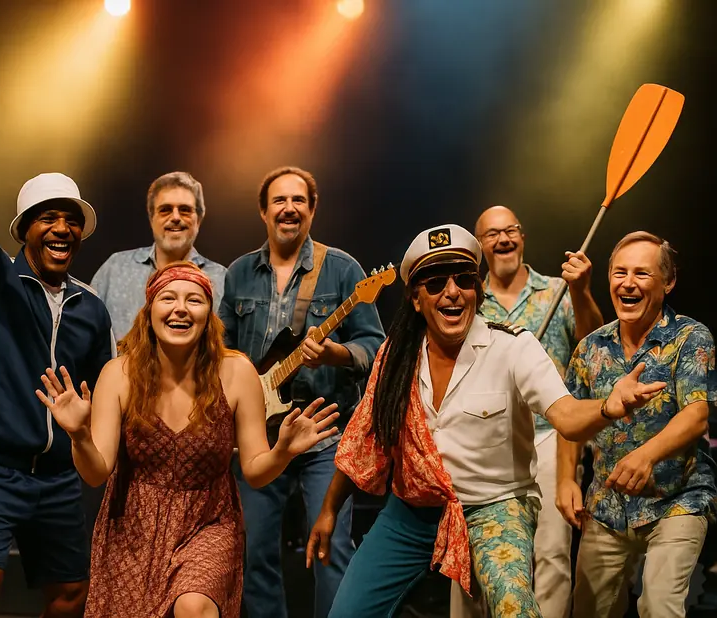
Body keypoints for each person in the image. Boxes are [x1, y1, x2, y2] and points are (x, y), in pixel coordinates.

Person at [306, 223, 667, 617]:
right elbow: (364, 435)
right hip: (411, 511)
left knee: (515, 608)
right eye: (435, 282)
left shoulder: (514, 347)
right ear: (415, 298)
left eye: (463, 279)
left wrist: (606, 407)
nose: (452, 291)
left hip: (494, 505)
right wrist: (328, 509)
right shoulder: (395, 356)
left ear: (477, 290)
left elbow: (565, 415)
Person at [37, 261, 340, 617]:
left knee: (194, 608)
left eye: (194, 300)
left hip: (208, 521)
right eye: (168, 298)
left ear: (209, 314)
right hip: (132, 527)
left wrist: (283, 452)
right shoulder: (119, 374)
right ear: (149, 311)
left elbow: (256, 471)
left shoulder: (236, 371)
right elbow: (96, 472)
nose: (181, 308)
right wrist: (79, 435)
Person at [0, 55, 115, 618]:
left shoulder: (91, 308)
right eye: (47, 218)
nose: (62, 228)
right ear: (23, 231)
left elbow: (98, 394)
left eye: (71, 219)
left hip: (58, 476)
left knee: (70, 596)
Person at [218, 166, 385, 618]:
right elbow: (221, 352)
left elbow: (374, 346)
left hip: (323, 434)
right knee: (253, 554)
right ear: (263, 211)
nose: (289, 208)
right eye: (279, 201)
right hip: (259, 437)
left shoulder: (344, 268)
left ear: (312, 210)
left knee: (329, 548)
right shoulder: (238, 275)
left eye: (298, 200)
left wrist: (334, 354)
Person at [558, 231, 716, 618]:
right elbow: (572, 418)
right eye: (619, 273)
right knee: (589, 610)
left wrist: (646, 456)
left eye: (642, 274)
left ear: (668, 282)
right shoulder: (591, 348)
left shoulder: (690, 338)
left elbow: (696, 416)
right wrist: (564, 479)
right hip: (607, 508)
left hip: (677, 500)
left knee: (658, 604)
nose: (628, 283)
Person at [459, 205, 603, 618]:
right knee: (472, 556)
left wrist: (580, 291)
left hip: (549, 436)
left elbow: (593, 346)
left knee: (552, 553)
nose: (505, 239)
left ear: (522, 236)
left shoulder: (556, 289)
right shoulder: (468, 301)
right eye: (493, 234)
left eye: (512, 231)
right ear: (479, 246)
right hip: (486, 441)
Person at [91, 171, 226, 341]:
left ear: (198, 219)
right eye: (165, 210)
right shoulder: (115, 269)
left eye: (185, 210)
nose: (175, 217)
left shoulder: (222, 280)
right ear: (151, 218)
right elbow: (87, 331)